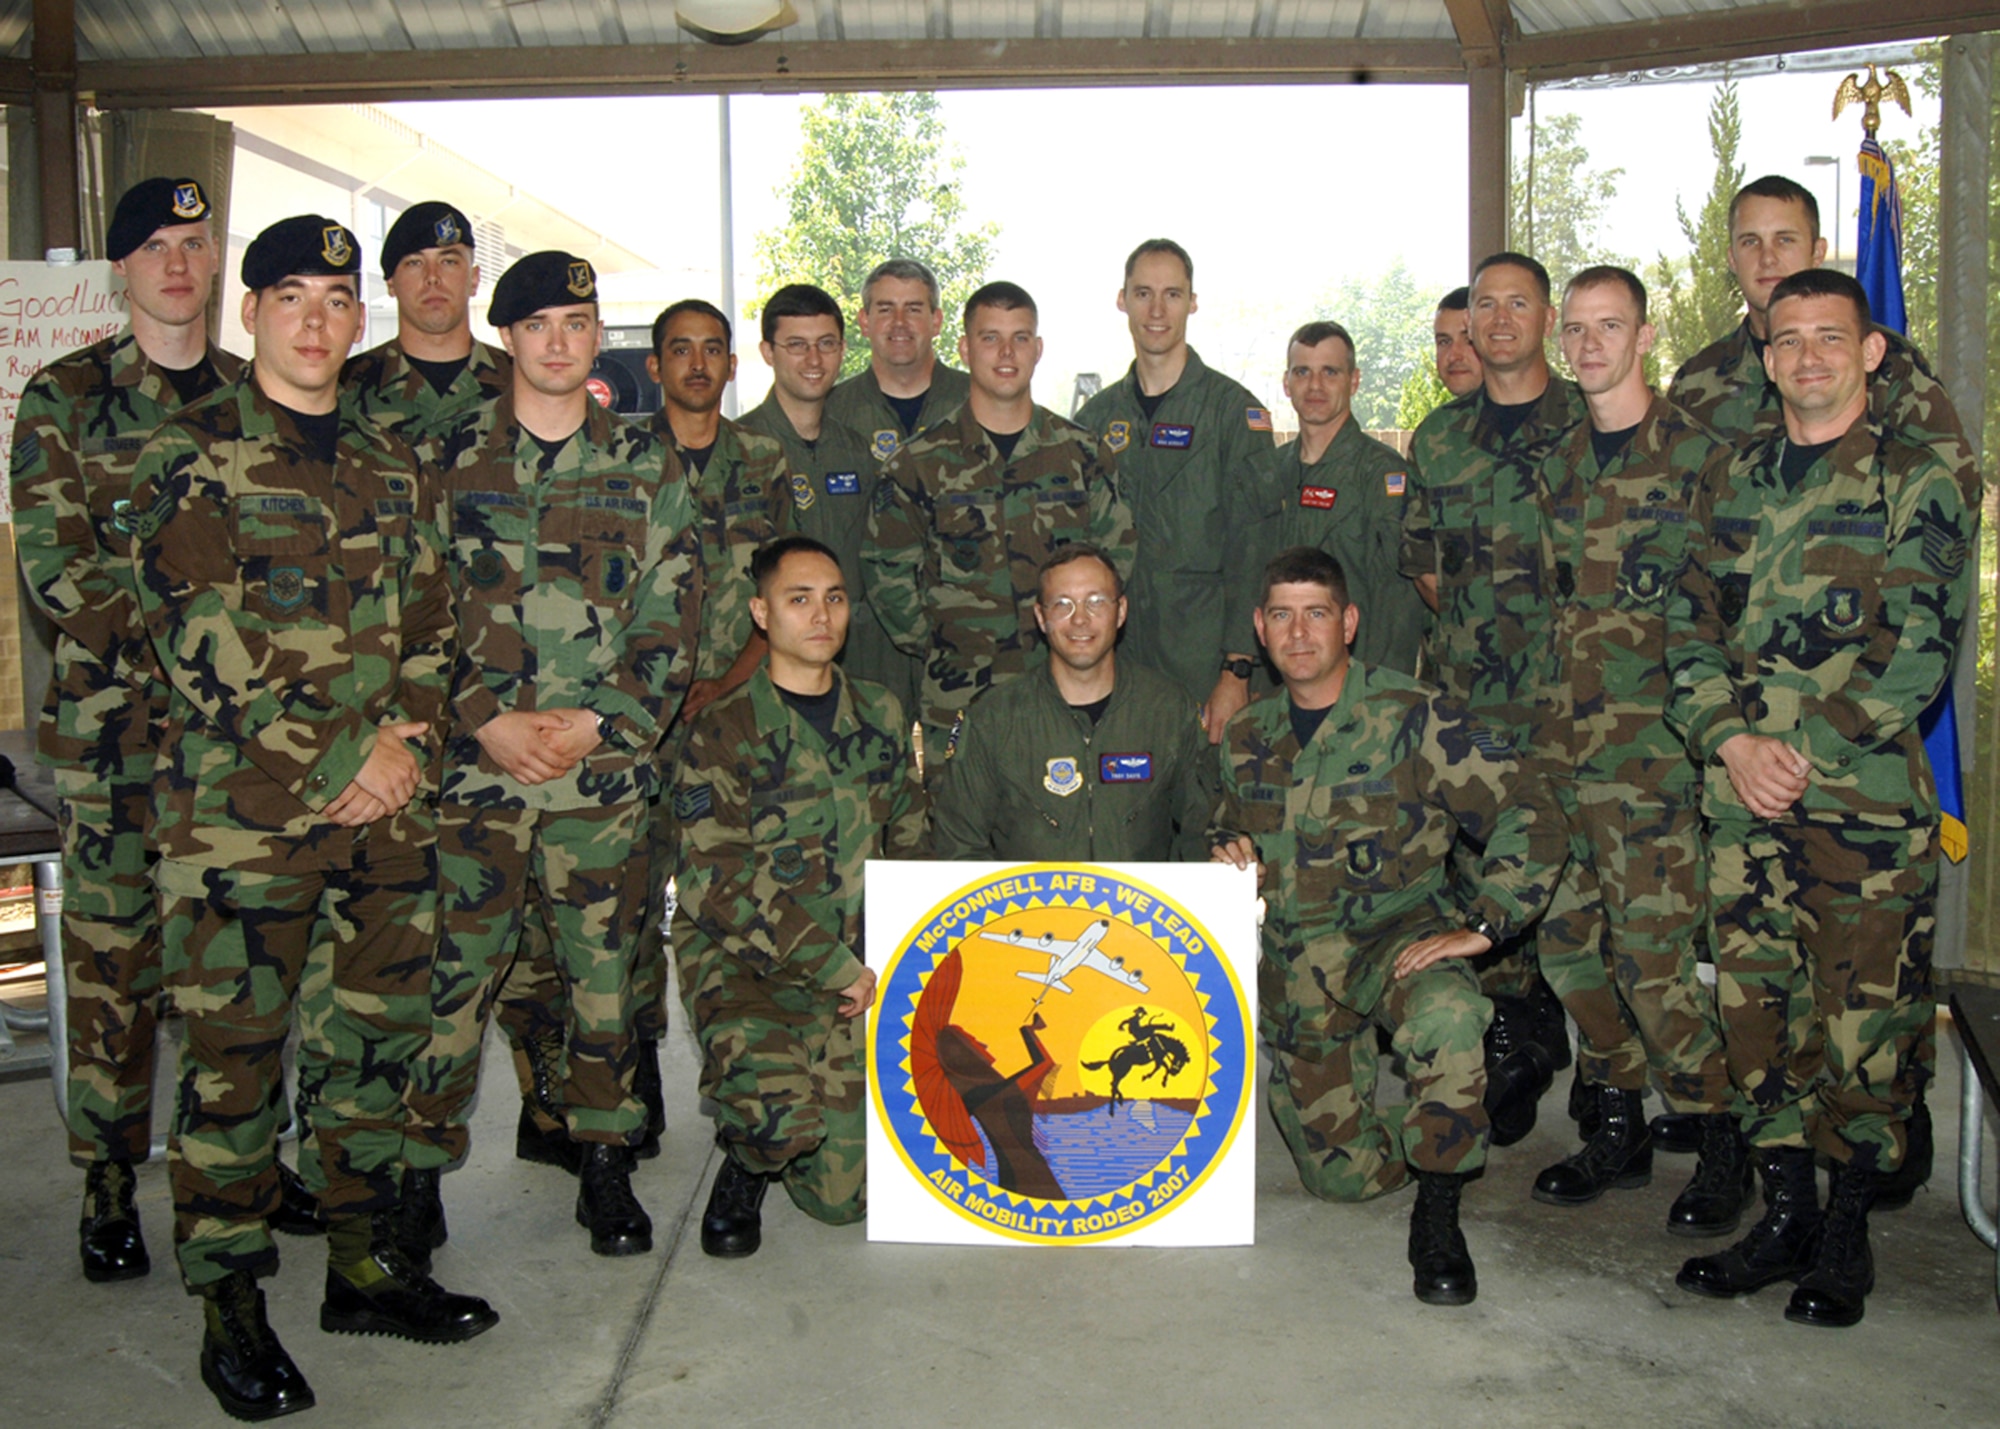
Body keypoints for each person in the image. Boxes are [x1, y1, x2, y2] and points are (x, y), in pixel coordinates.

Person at [126, 213, 496, 1421]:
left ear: (360, 316)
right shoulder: (192, 454)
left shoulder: (391, 464)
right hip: (245, 828)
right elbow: (194, 636)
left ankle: (361, 1266)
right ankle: (230, 1303)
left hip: (386, 818)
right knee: (233, 1071)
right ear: (250, 314)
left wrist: (408, 747)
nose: (317, 320)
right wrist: (345, 753)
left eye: (337, 300)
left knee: (371, 1054)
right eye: (291, 297)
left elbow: (438, 631)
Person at [1667, 269, 1975, 1328]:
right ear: (1763, 356)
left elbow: (1914, 659)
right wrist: (1730, 743)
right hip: (1740, 807)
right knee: (1752, 1019)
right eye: (1785, 339)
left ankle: (1843, 1230)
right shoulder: (1730, 478)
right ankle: (1783, 1211)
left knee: (1859, 1033)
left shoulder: (1916, 480)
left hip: (1861, 812)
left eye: (1827, 338)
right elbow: (1685, 632)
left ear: (1870, 352)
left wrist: (1785, 749)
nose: (1805, 356)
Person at [400, 251, 701, 1262]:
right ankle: (417, 1176)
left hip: (599, 777)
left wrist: (602, 721)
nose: (561, 341)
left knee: (603, 976)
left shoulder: (646, 464)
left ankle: (606, 1164)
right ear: (507, 338)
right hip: (476, 773)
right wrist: (481, 715)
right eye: (540, 326)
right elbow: (413, 608)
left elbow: (672, 618)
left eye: (578, 322)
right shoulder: (449, 462)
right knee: (455, 977)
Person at [1210, 547, 1565, 1306]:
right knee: (1341, 1179)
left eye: (1316, 613)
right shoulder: (1247, 738)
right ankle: (1489, 1091)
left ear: (1350, 622)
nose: (1298, 632)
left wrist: (1486, 922)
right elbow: (1233, 830)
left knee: (1449, 1015)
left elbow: (1530, 806)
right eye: (1281, 614)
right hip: (1298, 968)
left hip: (1395, 941)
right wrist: (1232, 852)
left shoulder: (1416, 715)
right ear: (1259, 628)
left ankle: (1439, 1215)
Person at [10, 176, 250, 1283]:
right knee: (116, 975)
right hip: (119, 749)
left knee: (241, 970)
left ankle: (235, 1167)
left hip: (248, 757)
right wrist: (212, 652)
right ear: (121, 268)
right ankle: (110, 1186)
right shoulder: (63, 400)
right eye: (154, 245)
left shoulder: (261, 396)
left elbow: (295, 578)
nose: (175, 261)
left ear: (215, 259)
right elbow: (62, 577)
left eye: (194, 242)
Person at [1525, 266, 1748, 1237]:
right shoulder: (1555, 462)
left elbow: (1732, 618)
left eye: (1606, 327)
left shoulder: (1702, 459)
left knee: (1656, 968)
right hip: (1559, 757)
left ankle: (1719, 1133)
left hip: (1655, 761)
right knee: (1569, 951)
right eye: (1572, 329)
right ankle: (1612, 1120)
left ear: (1643, 336)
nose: (1586, 345)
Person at [673, 535, 925, 1257]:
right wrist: (835, 964)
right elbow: (716, 885)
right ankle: (747, 1154)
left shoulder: (878, 710)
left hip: (856, 970)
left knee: (843, 1204)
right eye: (799, 598)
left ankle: (785, 1110)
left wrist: (891, 953)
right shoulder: (720, 731)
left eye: (836, 598)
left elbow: (910, 836)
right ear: (761, 612)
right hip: (750, 970)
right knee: (783, 1123)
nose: (822, 615)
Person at [1398, 251, 1586, 1135]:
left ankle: (1609, 1081)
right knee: (1484, 877)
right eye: (1485, 305)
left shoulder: (1594, 422)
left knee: (1590, 890)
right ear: (1468, 322)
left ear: (1547, 317)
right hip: (1472, 704)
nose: (1501, 319)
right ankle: (1514, 1045)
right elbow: (1426, 564)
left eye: (1520, 303)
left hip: (1580, 703)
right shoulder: (1439, 438)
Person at [863, 280, 1135, 766]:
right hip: (962, 694)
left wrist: (1082, 636)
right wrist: (946, 643)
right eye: (990, 338)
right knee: (961, 833)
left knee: (1070, 829)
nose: (1006, 352)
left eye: (1021, 338)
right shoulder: (918, 464)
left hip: (1068, 686)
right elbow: (887, 572)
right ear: (965, 348)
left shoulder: (1082, 453)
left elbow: (1117, 557)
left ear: (1038, 349)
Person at [1073, 239, 1273, 736]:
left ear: (1193, 302)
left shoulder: (1233, 415)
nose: (1157, 311)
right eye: (1143, 294)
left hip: (1204, 665)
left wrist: (1237, 669)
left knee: (1208, 805)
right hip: (1112, 664)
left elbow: (1256, 549)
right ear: (1122, 300)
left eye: (1172, 295)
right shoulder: (1094, 421)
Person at [930, 543, 1216, 860]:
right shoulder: (992, 720)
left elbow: (1204, 830)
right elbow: (958, 848)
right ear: (1041, 617)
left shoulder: (1168, 710)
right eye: (1062, 604)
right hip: (1029, 907)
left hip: (1140, 907)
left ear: (1121, 611)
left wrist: (1226, 858)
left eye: (1095, 602)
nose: (1080, 619)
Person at [739, 283, 914, 707]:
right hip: (765, 667)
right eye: (797, 345)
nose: (814, 360)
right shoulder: (738, 448)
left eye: (826, 344)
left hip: (860, 660)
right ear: (768, 352)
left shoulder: (861, 451)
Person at [1253, 319, 1426, 676]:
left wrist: (1378, 694)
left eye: (1330, 372)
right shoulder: (1270, 472)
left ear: (1354, 380)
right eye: (1302, 372)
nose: (1315, 385)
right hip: (1280, 685)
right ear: (1286, 384)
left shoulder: (1381, 475)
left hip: (1358, 687)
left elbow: (1397, 603)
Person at [343, 199, 510, 443]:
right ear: (391, 284)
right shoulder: (344, 388)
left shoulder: (522, 383)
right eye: (415, 263)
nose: (432, 277)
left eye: (449, 261)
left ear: (474, 279)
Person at [825, 257, 972, 461]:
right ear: (865, 322)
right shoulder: (830, 412)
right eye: (886, 310)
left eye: (913, 309)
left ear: (936, 322)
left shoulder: (977, 402)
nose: (899, 322)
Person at [1432, 287, 1484, 399]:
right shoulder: (1441, 416)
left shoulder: (1526, 414)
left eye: (1469, 341)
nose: (1453, 356)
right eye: (1444, 342)